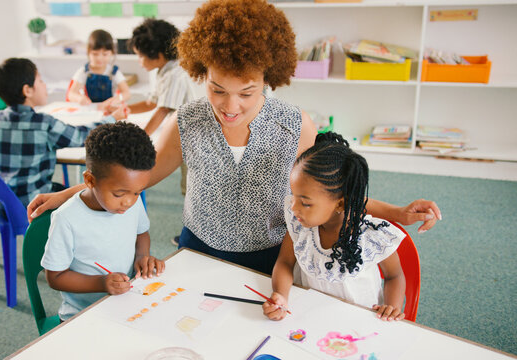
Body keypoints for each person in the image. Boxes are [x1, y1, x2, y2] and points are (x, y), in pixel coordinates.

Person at [27, 0, 441, 275]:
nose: (230, 106)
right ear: (200, 74)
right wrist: (67, 194)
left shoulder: (295, 124)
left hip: (273, 255)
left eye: (247, 92)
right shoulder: (187, 120)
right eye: (217, 89)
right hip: (198, 248)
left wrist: (397, 212)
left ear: (269, 78)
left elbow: (331, 194)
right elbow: (138, 176)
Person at [263, 132, 407, 322]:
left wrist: (392, 307)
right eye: (294, 196)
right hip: (309, 317)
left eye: (305, 203)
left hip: (359, 322)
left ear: (340, 204)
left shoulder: (370, 236)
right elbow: (284, 263)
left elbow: (394, 276)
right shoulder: (301, 224)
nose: (293, 207)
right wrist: (280, 294)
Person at [41, 122, 165, 322]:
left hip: (127, 304)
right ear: (90, 180)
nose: (129, 201)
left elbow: (141, 233)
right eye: (118, 194)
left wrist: (142, 257)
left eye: (137, 192)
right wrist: (102, 283)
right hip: (82, 316)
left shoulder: (131, 200)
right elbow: (54, 277)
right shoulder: (66, 219)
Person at [0, 57, 127, 207]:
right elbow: (81, 136)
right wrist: (112, 118)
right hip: (37, 206)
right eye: (41, 81)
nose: (45, 85)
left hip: (3, 207)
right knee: (86, 194)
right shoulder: (42, 123)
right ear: (27, 90)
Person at [123, 18, 196, 136]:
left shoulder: (174, 75)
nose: (139, 62)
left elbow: (163, 110)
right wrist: (125, 109)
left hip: (189, 134)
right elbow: (150, 103)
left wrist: (142, 138)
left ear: (157, 54)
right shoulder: (164, 71)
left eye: (140, 56)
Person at [66, 29, 130, 109]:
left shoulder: (114, 72)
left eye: (105, 54)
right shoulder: (84, 71)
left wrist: (117, 99)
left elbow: (127, 93)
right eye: (95, 54)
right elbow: (71, 94)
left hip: (109, 109)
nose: (100, 58)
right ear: (88, 52)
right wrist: (79, 98)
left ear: (112, 53)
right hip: (89, 109)